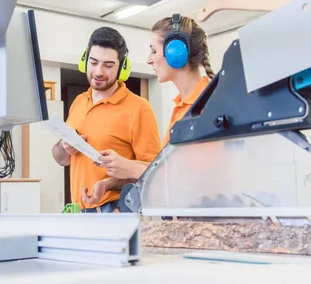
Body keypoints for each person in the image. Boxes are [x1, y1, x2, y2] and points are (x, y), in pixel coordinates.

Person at [51, 27, 162, 212]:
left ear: (122, 67)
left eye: (108, 65)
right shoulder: (78, 102)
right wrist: (64, 147)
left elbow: (154, 173)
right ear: (85, 60)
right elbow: (61, 159)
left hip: (115, 210)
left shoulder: (139, 109)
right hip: (79, 211)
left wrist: (109, 183)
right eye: (93, 62)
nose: (99, 71)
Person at [97, 14, 215, 181]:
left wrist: (132, 169)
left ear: (176, 52)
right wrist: (114, 180)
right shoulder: (183, 106)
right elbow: (172, 167)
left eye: (153, 51)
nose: (149, 60)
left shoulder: (207, 106)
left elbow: (198, 178)